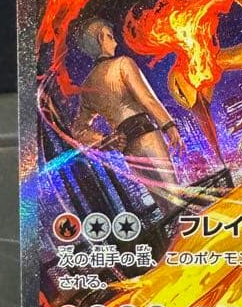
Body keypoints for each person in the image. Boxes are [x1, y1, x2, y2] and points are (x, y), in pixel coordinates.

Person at [72, 18, 183, 216]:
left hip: (128, 149)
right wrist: (168, 125)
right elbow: (147, 99)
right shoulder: (123, 64)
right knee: (175, 199)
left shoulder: (87, 87)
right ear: (101, 38)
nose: (115, 42)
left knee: (165, 207)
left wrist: (104, 140)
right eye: (110, 37)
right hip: (147, 136)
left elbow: (78, 130)